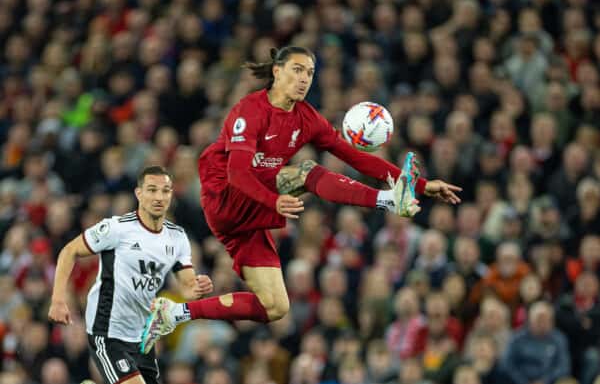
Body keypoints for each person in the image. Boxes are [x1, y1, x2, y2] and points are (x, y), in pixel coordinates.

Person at [140, 46, 462, 353]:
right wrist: (273, 201)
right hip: (226, 196)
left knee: (275, 306)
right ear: (277, 72)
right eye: (297, 70)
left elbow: (354, 156)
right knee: (306, 172)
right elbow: (238, 174)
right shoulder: (250, 110)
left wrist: (419, 185)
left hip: (250, 214)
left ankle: (173, 314)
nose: (305, 78)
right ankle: (389, 201)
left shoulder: (306, 118)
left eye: (309, 72)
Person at [48, 166, 214, 384]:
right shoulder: (117, 228)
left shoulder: (177, 237)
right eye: (152, 190)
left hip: (143, 337)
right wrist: (58, 299)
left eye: (165, 191)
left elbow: (187, 287)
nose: (159, 197)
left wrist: (199, 286)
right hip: (108, 331)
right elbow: (70, 251)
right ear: (139, 194)